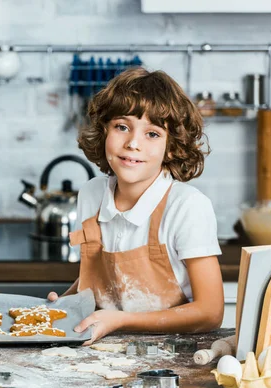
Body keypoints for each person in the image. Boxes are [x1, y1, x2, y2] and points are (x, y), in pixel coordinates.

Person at [48, 67, 224, 344]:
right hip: (101, 353)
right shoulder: (91, 195)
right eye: (122, 127)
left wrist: (121, 321)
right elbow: (103, 283)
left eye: (152, 134)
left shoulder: (187, 206)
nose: (133, 144)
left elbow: (210, 312)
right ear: (104, 129)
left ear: (172, 146)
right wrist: (66, 304)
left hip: (173, 357)